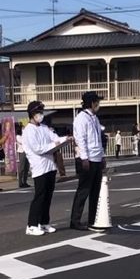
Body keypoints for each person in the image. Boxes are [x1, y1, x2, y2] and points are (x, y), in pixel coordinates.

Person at [22, 101, 70, 235]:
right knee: (40, 196)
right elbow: (38, 149)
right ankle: (31, 225)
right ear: (32, 114)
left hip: (50, 166)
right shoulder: (28, 131)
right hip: (39, 167)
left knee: (48, 196)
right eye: (38, 112)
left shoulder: (44, 127)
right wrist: (52, 145)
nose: (41, 115)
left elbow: (55, 138)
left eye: (41, 112)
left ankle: (44, 222)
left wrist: (65, 139)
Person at [70, 91, 105, 231]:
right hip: (87, 159)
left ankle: (92, 219)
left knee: (96, 191)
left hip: (96, 157)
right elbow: (80, 139)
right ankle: (75, 221)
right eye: (97, 102)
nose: (98, 104)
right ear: (91, 103)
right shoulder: (81, 118)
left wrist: (102, 156)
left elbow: (98, 139)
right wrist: (84, 158)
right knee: (83, 190)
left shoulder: (95, 118)